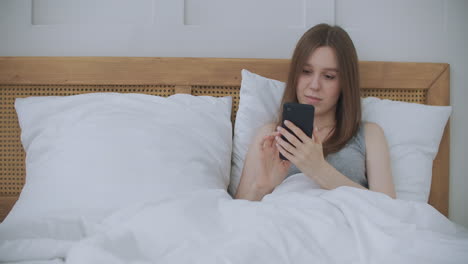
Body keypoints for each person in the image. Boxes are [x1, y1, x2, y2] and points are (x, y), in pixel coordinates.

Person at [235, 24, 396, 201]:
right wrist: (263, 187)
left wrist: (319, 169)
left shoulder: (370, 135)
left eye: (328, 76)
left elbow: (388, 209)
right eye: (306, 72)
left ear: (344, 83)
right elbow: (237, 213)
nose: (314, 85)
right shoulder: (269, 136)